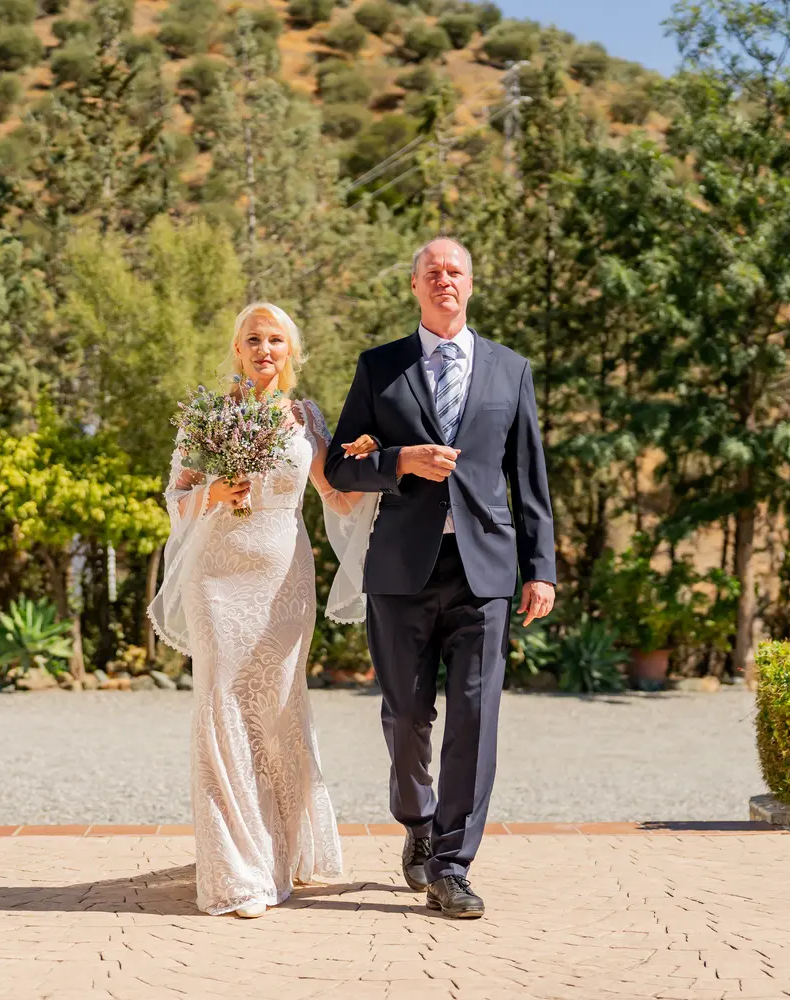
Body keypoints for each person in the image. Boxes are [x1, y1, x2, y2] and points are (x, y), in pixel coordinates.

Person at [323, 237, 557, 920]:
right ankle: (417, 819)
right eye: (432, 272)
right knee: (405, 714)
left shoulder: (511, 370)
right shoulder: (380, 367)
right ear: (415, 286)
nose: (444, 279)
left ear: (471, 284)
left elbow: (529, 478)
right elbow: (339, 465)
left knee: (476, 720)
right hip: (401, 569)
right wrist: (398, 460)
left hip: (485, 571)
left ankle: (452, 866)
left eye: (455, 271)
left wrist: (540, 569)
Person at [149, 302, 378, 919]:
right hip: (216, 577)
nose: (264, 349)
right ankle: (236, 871)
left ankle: (278, 853)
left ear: (290, 351)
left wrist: (371, 462)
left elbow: (335, 496)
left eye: (276, 339)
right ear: (237, 349)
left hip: (284, 578)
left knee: (277, 710)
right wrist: (213, 491)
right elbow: (176, 499)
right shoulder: (206, 417)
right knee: (220, 703)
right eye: (253, 339)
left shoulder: (306, 418)